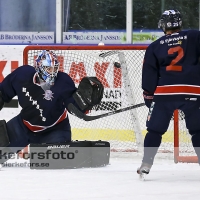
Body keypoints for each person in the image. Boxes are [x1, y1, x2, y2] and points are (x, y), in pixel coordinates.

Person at [0, 50, 103, 164]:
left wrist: (86, 103)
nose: (53, 72)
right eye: (49, 69)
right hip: (23, 126)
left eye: (55, 68)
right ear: (39, 67)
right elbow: (2, 93)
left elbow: (74, 107)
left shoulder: (63, 81)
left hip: (55, 130)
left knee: (51, 165)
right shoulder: (21, 75)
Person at [137, 9, 200, 177]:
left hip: (165, 93)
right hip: (192, 91)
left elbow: (149, 77)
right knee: (198, 131)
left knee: (155, 131)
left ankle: (146, 163)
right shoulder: (195, 36)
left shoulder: (155, 46)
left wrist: (150, 98)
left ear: (163, 25)